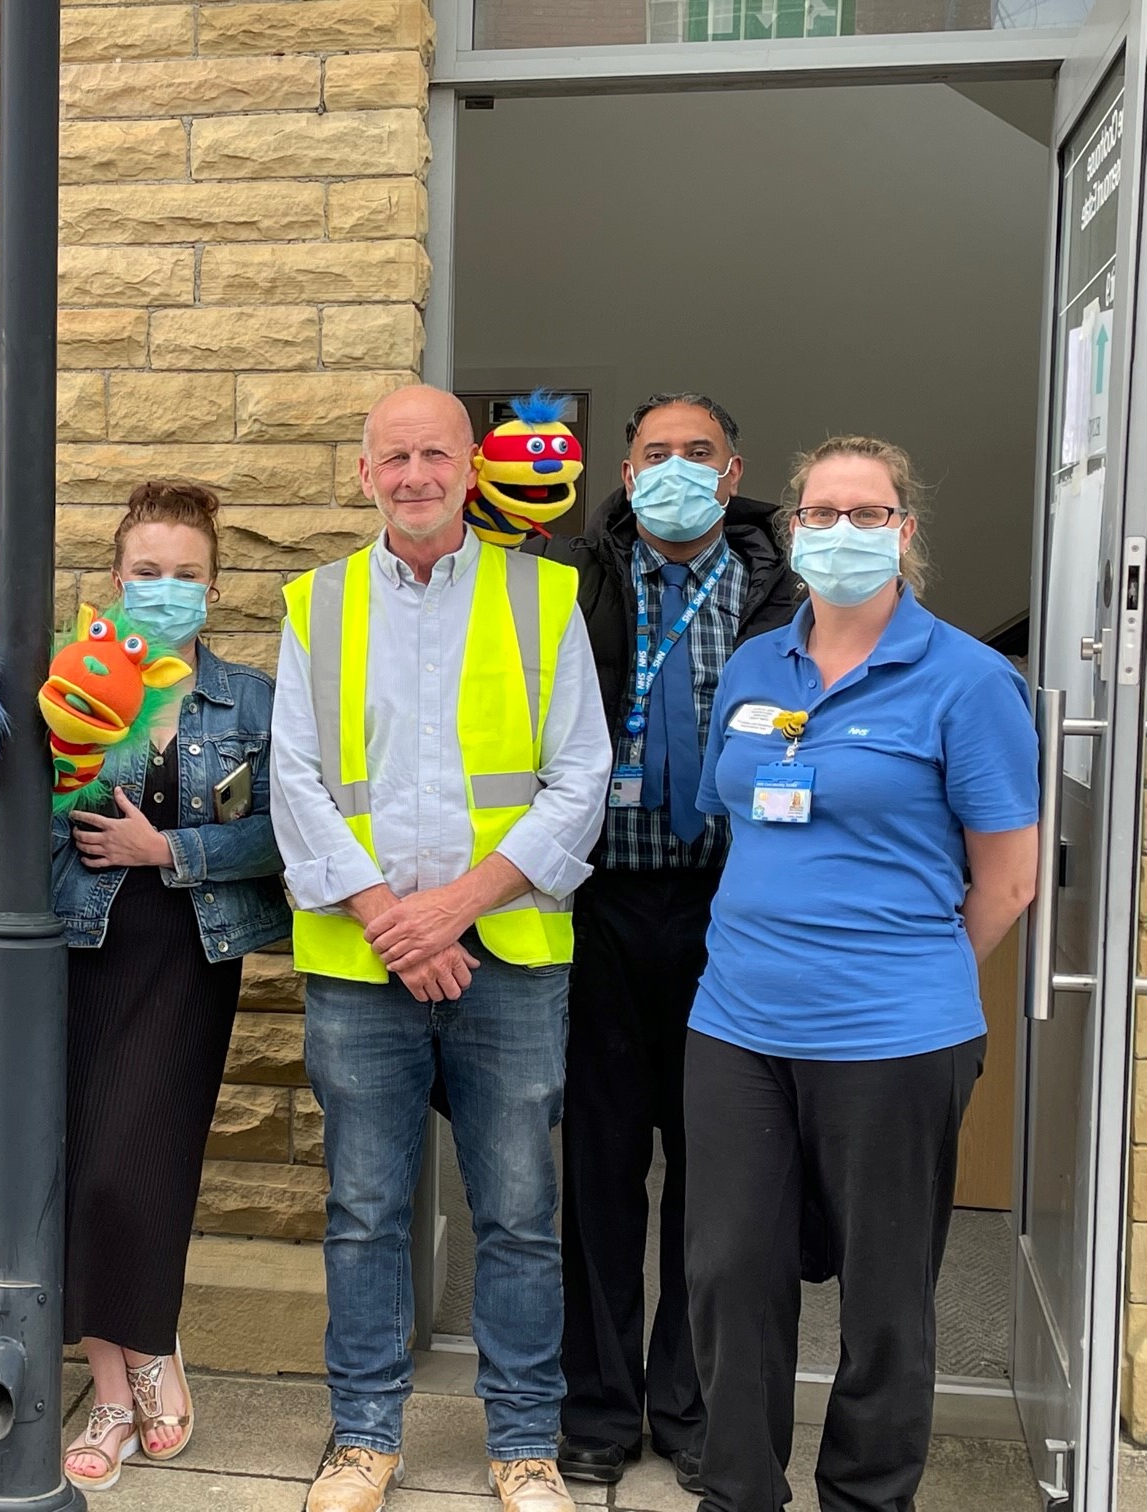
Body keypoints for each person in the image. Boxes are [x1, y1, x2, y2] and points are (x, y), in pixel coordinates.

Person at [272, 384, 612, 1512]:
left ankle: (524, 1446)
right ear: (363, 472)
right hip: (362, 963)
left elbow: (580, 780)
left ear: (472, 467)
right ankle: (363, 1439)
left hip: (507, 955)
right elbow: (297, 786)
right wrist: (389, 919)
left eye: (435, 453)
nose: (414, 473)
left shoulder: (544, 593)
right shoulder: (315, 603)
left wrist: (453, 909)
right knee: (364, 1211)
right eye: (392, 456)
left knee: (516, 1212)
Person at [684, 436, 1038, 1512]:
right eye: (823, 514)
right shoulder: (756, 668)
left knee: (888, 1301)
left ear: (905, 532)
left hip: (895, 1039)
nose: (843, 533)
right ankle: (737, 1492)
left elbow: (1010, 881)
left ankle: (867, 1498)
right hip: (737, 1025)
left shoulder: (969, 680)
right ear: (792, 532)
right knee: (728, 1277)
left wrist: (909, 973)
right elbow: (737, 823)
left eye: (867, 514)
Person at [537, 393, 798, 1492]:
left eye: (699, 454)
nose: (677, 470)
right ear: (626, 470)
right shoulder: (571, 578)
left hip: (726, 916)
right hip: (599, 910)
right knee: (597, 1170)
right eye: (657, 455)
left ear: (732, 472)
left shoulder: (785, 593)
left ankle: (688, 1404)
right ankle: (598, 1405)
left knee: (714, 1173)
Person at [52, 481, 290, 1491]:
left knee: (146, 1162)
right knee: (84, 1165)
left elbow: (288, 833)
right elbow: (15, 814)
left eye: (186, 575)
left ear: (215, 586)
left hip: (190, 947)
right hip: (76, 948)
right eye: (146, 572)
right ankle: (113, 1384)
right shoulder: (67, 685)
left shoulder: (254, 699)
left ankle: (150, 1347)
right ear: (115, 580)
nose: (164, 590)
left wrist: (171, 846)